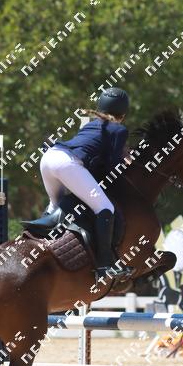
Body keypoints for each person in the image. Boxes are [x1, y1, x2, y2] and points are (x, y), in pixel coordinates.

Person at [40, 87, 132, 281]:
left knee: (55, 207)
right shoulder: (119, 129)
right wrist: (127, 164)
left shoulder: (91, 125)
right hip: (66, 163)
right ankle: (105, 265)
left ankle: (38, 245)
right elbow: (113, 165)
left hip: (49, 157)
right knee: (105, 207)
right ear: (123, 114)